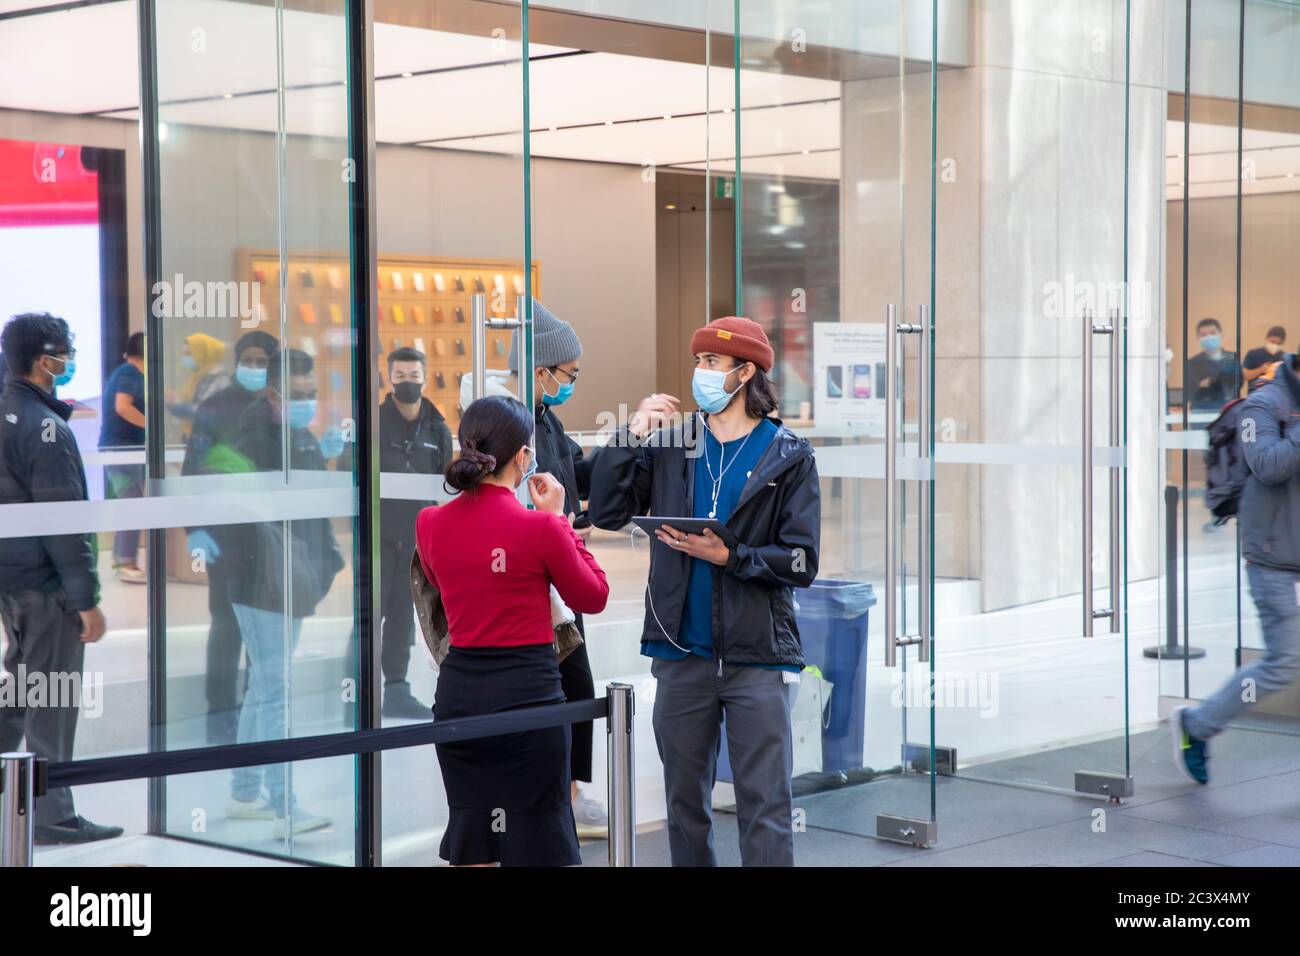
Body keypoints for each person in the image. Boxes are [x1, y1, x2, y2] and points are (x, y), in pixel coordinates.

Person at [589, 315, 821, 867]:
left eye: (712, 364)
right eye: (697, 362)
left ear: (746, 373)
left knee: (764, 804)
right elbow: (607, 510)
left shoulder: (787, 454)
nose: (701, 374)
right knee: (684, 804)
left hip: (755, 657)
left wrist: (732, 555)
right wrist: (632, 435)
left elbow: (801, 559)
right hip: (680, 653)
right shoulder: (671, 446)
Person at [416, 395, 609, 866]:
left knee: (475, 836)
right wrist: (559, 520)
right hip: (530, 698)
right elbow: (594, 596)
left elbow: (443, 587)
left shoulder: (430, 523)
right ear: (523, 457)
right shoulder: (538, 528)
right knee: (540, 839)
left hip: (460, 696)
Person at [459, 299, 607, 835]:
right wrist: (556, 527)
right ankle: (555, 801)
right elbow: (593, 591)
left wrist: (632, 444)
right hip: (544, 576)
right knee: (566, 684)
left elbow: (577, 473)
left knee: (576, 683)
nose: (572, 384)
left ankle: (566, 793)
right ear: (541, 371)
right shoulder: (512, 423)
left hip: (558, 563)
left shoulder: (547, 417)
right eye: (568, 375)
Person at [0, 312, 120, 844]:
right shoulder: (46, 428)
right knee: (50, 696)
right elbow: (63, 522)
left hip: (11, 581)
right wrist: (85, 599)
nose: (69, 361)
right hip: (45, 586)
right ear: (44, 359)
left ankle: (14, 796)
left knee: (21, 689)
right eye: (65, 353)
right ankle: (50, 816)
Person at [221, 348, 344, 836]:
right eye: (297, 395)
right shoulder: (258, 438)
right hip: (262, 582)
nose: (307, 402)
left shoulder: (295, 434)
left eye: (311, 394)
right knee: (275, 692)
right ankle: (283, 805)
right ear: (273, 393)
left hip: (284, 579)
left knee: (264, 687)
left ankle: (246, 790)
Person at [1174, 352, 1300, 784]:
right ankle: (1198, 724)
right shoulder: (1263, 405)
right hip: (1273, 555)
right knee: (1284, 662)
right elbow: (1267, 465)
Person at [181, 330, 277, 745]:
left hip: (271, 537)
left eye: (264, 361)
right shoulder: (216, 406)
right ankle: (219, 718)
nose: (255, 368)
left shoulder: (281, 409)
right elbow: (192, 470)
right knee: (227, 626)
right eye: (249, 360)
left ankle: (258, 716)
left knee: (269, 631)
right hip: (227, 534)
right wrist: (195, 529)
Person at [376, 347, 451, 718]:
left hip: (416, 541)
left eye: (414, 375)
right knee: (368, 615)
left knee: (404, 619)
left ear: (425, 376)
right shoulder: (373, 421)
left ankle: (395, 691)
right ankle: (355, 691)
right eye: (400, 376)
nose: (408, 382)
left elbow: (444, 486)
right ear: (389, 378)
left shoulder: (438, 427)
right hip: (377, 540)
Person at [99, 331, 147, 583]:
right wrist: (152, 428)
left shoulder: (131, 373)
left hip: (127, 449)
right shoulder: (130, 374)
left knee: (132, 500)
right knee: (132, 502)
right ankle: (126, 562)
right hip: (121, 449)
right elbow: (122, 406)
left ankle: (121, 557)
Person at [167, 332, 229, 431]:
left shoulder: (219, 379)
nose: (185, 358)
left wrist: (176, 405)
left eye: (189, 354)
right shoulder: (196, 377)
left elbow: (204, 411)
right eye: (183, 354)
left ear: (202, 354)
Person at [1186, 318, 1240, 414]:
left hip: (1228, 410)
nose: (1209, 337)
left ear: (1220, 334)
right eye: (1204, 335)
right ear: (1198, 338)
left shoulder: (1231, 357)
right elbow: (1191, 391)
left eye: (1213, 333)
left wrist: (1211, 380)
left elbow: (1239, 381)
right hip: (1202, 412)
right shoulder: (1193, 363)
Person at [1243, 325, 1287, 390]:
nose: (1275, 345)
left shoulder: (1284, 357)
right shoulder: (1253, 354)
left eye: (1279, 344)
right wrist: (1260, 370)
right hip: (1256, 394)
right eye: (1272, 342)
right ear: (1266, 339)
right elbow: (1245, 376)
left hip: (1277, 395)